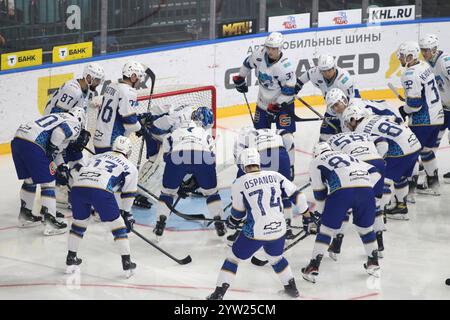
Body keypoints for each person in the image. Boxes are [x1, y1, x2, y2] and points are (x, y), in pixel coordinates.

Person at [207, 148, 301, 300]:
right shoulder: (275, 175)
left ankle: (218, 295)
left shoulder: (239, 182)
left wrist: (232, 221)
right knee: (276, 258)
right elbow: (298, 196)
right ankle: (292, 289)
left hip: (257, 232)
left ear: (243, 164)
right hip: (279, 228)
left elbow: (238, 213)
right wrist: (307, 216)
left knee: (232, 258)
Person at [302, 142, 382, 283]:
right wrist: (360, 190)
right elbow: (376, 173)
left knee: (326, 231)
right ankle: (373, 262)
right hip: (366, 190)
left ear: (315, 153)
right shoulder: (348, 156)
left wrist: (321, 215)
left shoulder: (316, 161)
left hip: (342, 193)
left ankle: (313, 267)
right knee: (366, 229)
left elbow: (320, 195)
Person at [66, 136, 138, 278]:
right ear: (128, 151)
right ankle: (126, 261)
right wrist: (126, 213)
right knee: (118, 226)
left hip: (78, 187)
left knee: (79, 223)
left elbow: (77, 169)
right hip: (101, 190)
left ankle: (71, 257)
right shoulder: (130, 167)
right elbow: (128, 194)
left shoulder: (97, 156)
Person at [153, 107, 227, 238]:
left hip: (178, 157)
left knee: (167, 193)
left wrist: (179, 183)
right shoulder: (206, 134)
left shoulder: (173, 133)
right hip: (203, 157)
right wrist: (197, 181)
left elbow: (166, 158)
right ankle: (219, 223)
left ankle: (160, 224)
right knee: (211, 192)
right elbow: (212, 159)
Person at [10, 107, 86, 235]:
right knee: (48, 183)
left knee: (30, 179)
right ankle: (50, 222)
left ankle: (25, 215)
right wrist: (50, 149)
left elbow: (58, 150)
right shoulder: (75, 122)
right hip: (34, 143)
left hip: (18, 140)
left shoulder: (60, 116)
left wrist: (62, 166)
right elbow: (58, 134)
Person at [342, 104, 421, 220]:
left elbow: (383, 145)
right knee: (400, 175)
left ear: (353, 119)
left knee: (383, 179)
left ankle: (380, 214)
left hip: (401, 149)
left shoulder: (361, 129)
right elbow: (398, 120)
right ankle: (401, 207)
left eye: (348, 122)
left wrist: (379, 162)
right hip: (414, 143)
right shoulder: (375, 117)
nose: (348, 126)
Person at [232, 32, 297, 172]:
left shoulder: (286, 67)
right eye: (268, 47)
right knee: (260, 135)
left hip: (283, 105)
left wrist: (277, 105)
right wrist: (240, 78)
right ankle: (263, 164)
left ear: (280, 48)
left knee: (287, 137)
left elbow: (289, 91)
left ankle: (289, 167)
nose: (270, 51)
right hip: (263, 102)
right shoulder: (259, 55)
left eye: (274, 48)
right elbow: (247, 63)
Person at [233, 126, 311, 239]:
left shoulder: (243, 136)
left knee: (245, 187)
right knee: (284, 191)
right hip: (281, 154)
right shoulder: (273, 131)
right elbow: (289, 139)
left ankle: (242, 224)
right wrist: (291, 165)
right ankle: (287, 227)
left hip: (261, 155)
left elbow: (239, 158)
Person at [327, 132, 388, 259]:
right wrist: (379, 156)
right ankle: (379, 243)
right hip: (377, 164)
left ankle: (337, 242)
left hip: (357, 165)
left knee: (347, 205)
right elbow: (383, 141)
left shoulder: (330, 141)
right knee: (374, 204)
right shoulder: (363, 133)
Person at [397, 41, 444, 196]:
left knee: (412, 153)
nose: (400, 59)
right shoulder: (425, 66)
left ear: (410, 56)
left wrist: (404, 110)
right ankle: (434, 185)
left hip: (422, 121)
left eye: (402, 56)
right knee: (427, 151)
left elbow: (415, 104)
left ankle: (409, 193)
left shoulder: (409, 73)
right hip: (437, 116)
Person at [133, 103, 196, 208]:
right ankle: (137, 192)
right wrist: (145, 128)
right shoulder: (180, 122)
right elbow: (157, 127)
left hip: (161, 126)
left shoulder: (192, 114)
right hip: (154, 127)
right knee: (157, 161)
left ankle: (141, 190)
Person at [296, 54, 361, 140]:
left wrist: (350, 117)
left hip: (347, 107)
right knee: (324, 136)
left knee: (349, 136)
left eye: (329, 70)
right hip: (332, 108)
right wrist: (295, 87)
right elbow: (306, 76)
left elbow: (353, 98)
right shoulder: (315, 73)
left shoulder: (344, 79)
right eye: (324, 71)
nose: (327, 73)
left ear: (334, 67)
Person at [93, 61, 144, 154]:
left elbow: (117, 113)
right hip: (112, 141)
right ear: (133, 76)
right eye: (139, 77)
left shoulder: (111, 86)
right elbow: (130, 120)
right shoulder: (128, 91)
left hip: (98, 139)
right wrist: (141, 129)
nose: (139, 81)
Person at [419, 34, 450, 184]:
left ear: (434, 49)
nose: (424, 53)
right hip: (442, 108)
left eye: (427, 50)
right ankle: (428, 168)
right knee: (434, 139)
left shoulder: (445, 62)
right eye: (422, 50)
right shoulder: (426, 64)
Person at [322, 87, 402, 141]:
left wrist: (397, 120)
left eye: (336, 105)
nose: (335, 109)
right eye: (332, 107)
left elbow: (384, 111)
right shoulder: (343, 111)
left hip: (391, 114)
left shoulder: (358, 106)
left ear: (343, 100)